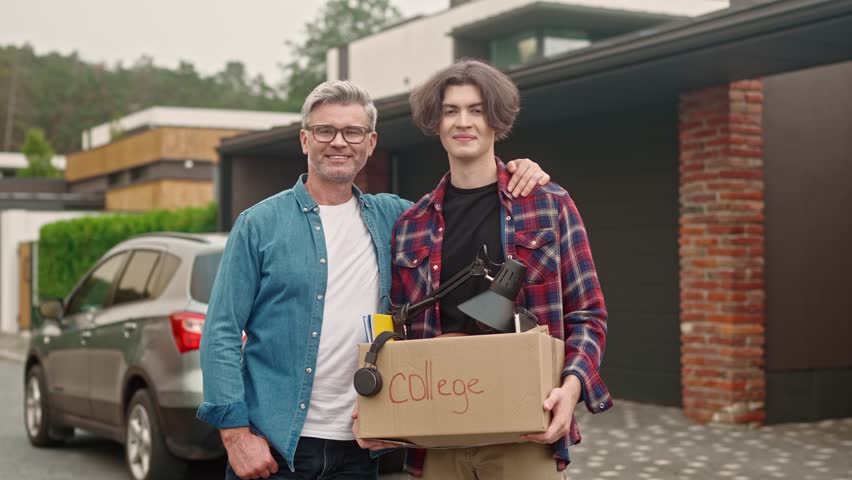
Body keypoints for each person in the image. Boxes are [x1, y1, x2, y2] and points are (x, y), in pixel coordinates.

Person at [197, 79, 551, 480]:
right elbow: (221, 332)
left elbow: (468, 200)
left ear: (370, 143)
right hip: (276, 446)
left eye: (353, 132)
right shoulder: (259, 225)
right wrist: (235, 434)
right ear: (304, 140)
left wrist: (519, 171)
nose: (338, 143)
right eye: (324, 131)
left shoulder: (396, 220)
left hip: (360, 445)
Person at [381, 60, 612, 479]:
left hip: (524, 432)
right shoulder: (410, 226)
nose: (463, 122)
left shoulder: (548, 204)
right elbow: (394, 332)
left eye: (477, 109)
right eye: (451, 110)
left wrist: (571, 388)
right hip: (438, 434)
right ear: (436, 122)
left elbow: (588, 315)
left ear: (496, 119)